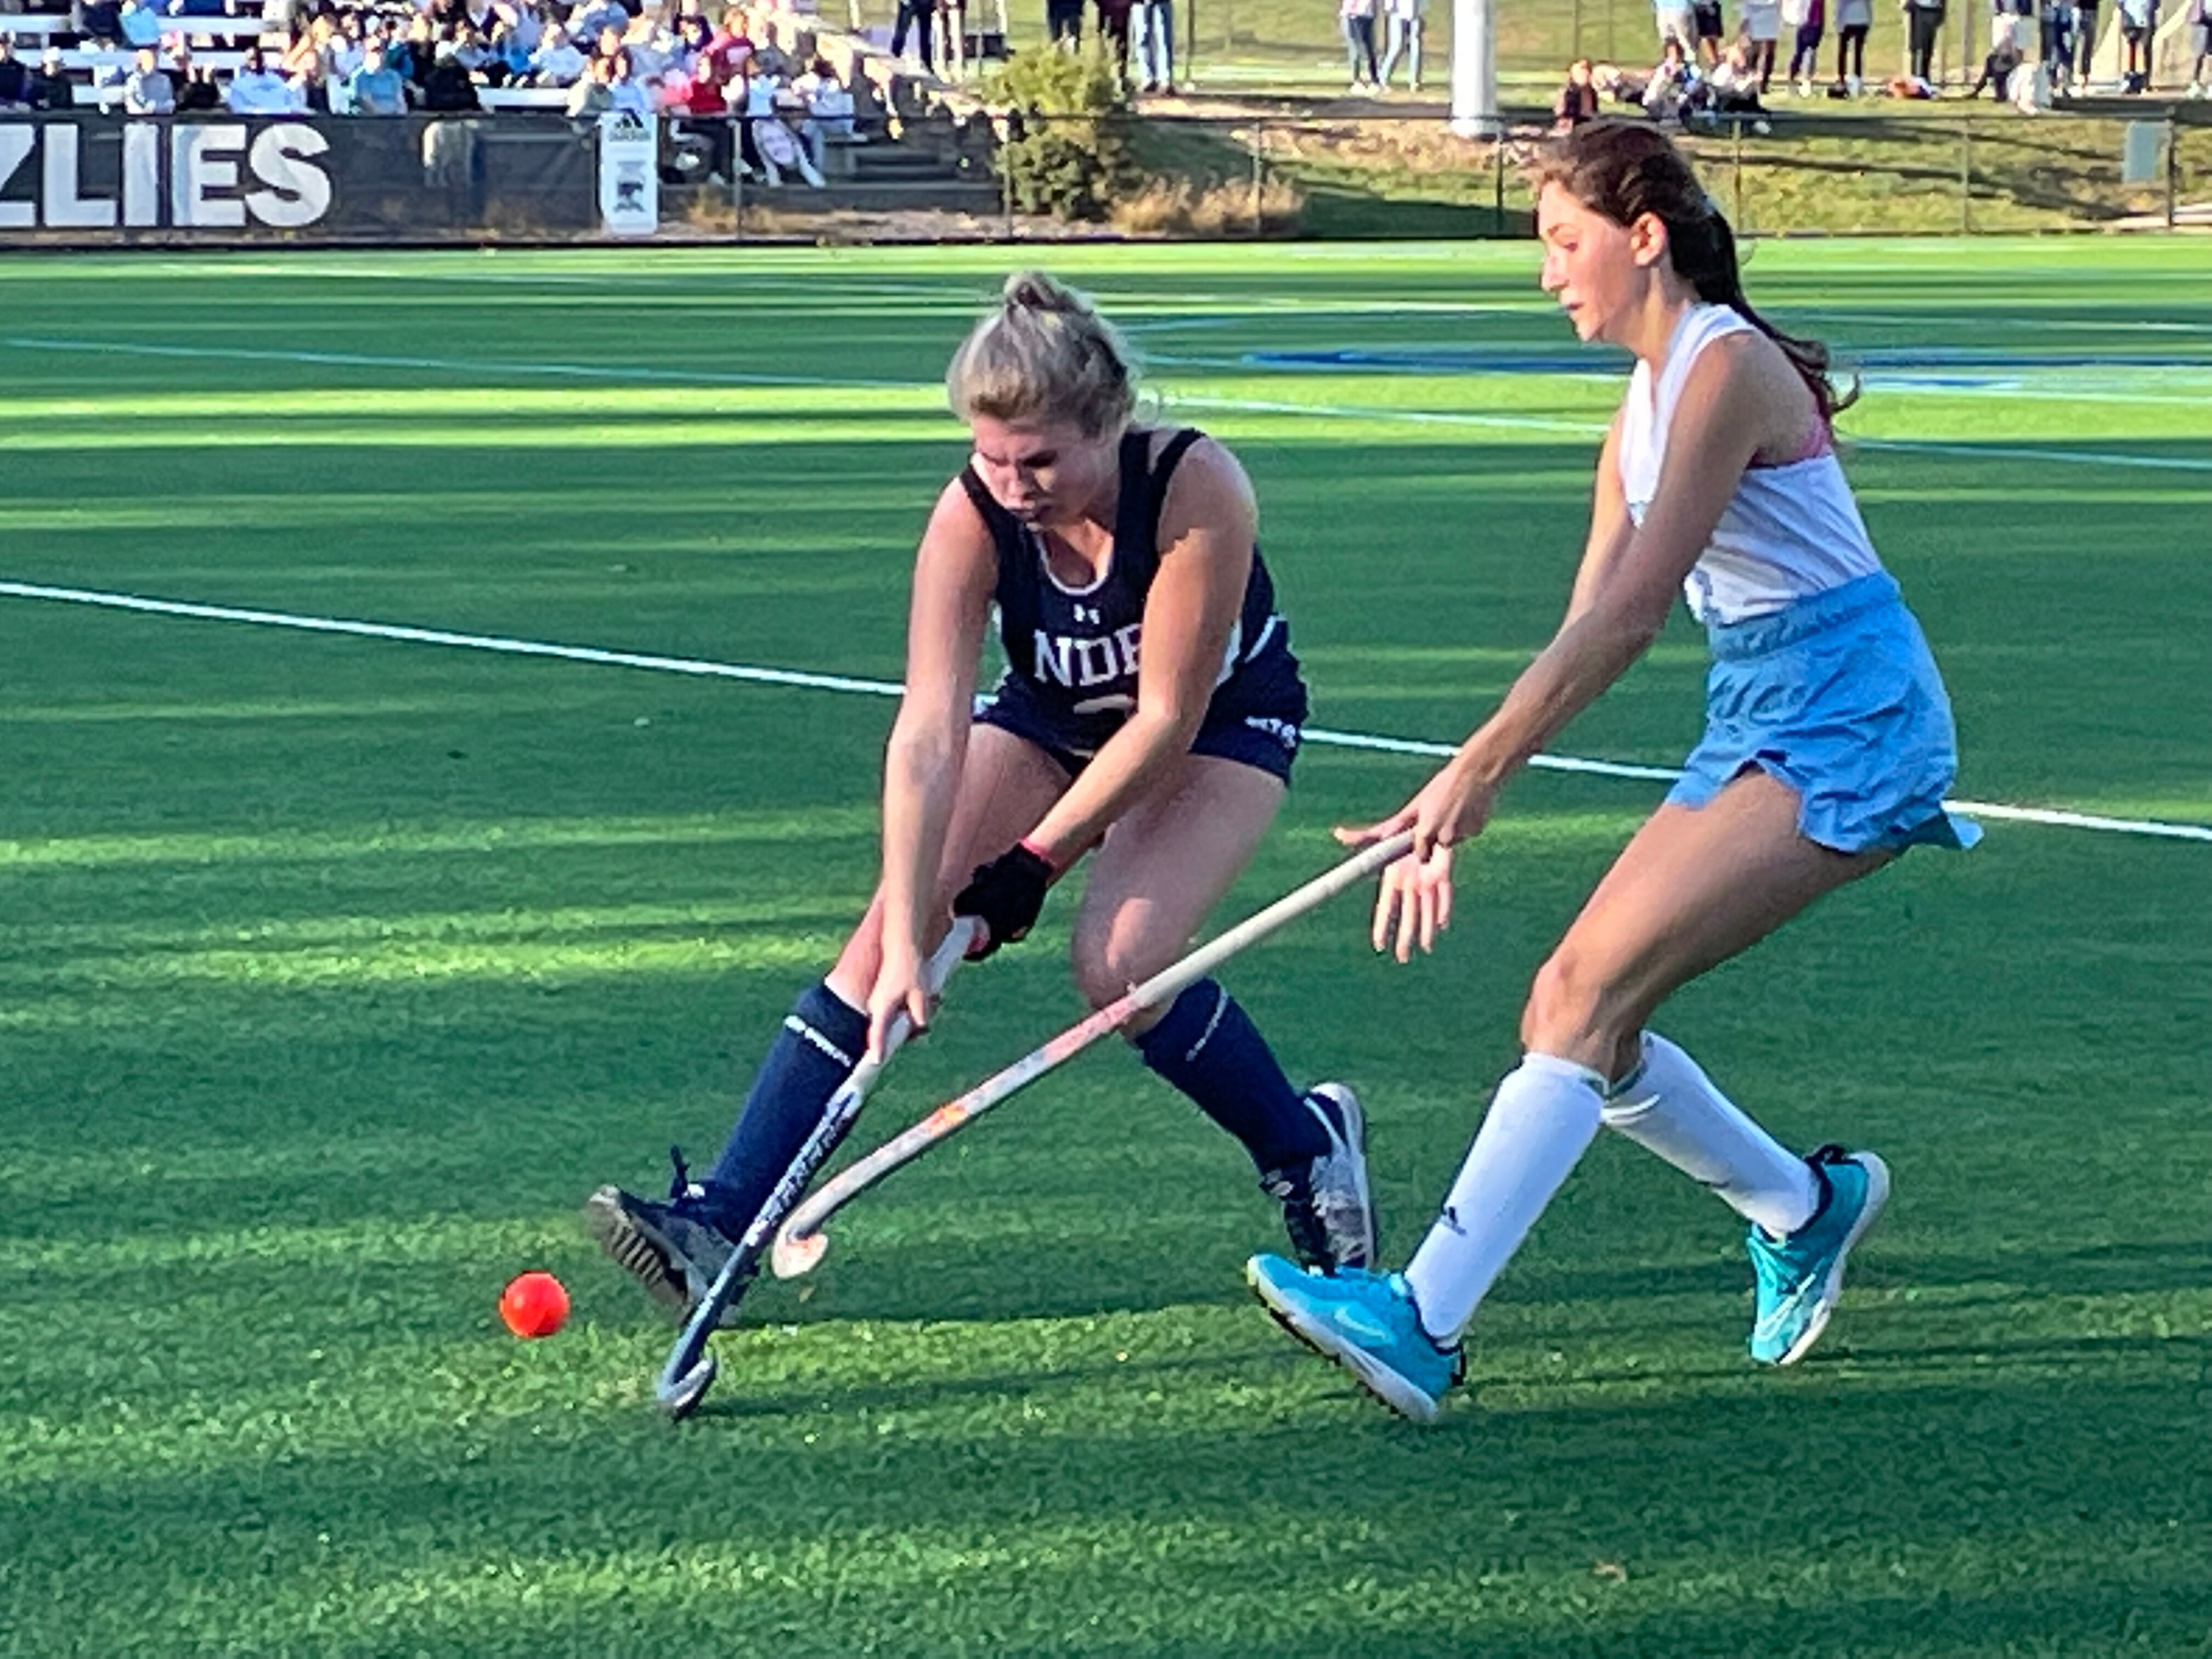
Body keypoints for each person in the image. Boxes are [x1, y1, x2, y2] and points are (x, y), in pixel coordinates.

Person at [1244, 119, 1977, 1424]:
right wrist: (1457, 793)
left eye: (1561, 241)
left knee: (1579, 997)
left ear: (1643, 238)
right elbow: (1585, 624)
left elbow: (1635, 616)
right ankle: (1804, 1209)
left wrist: (1477, 776)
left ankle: (1423, 1322)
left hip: (1853, 712)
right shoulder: (1639, 406)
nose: (1548, 275)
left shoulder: (1726, 369)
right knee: (1583, 1011)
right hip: (1761, 706)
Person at [586, 272, 1377, 1323]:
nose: (1013, 485)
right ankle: (724, 1217)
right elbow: (927, 732)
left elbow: (1164, 716)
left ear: (1110, 422)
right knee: (884, 939)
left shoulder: (1195, 486)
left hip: (1214, 728)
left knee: (1122, 963)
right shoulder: (971, 513)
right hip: (1050, 719)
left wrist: (1033, 863)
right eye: (992, 457)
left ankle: (1305, 1148)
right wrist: (904, 939)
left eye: (1039, 460)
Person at [1378, 0, 1424, 89]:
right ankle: (1382, 77)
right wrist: (1389, 7)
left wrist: (1421, 12)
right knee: (1396, 46)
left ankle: (1414, 80)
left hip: (1414, 12)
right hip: (1397, 12)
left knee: (1415, 46)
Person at [1783, 0, 1825, 91]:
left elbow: (1821, 8)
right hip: (1805, 23)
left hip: (1816, 22)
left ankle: (1805, 78)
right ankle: (1797, 76)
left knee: (1810, 51)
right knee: (1802, 51)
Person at [1341, 0, 1381, 91]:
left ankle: (1374, 80)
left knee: (1370, 50)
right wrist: (1351, 13)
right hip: (1354, 16)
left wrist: (1374, 12)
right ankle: (1357, 81)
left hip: (1368, 17)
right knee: (1357, 50)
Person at [1831, 0, 1871, 89]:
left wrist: (1837, 22)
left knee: (1843, 51)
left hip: (1847, 21)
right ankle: (1857, 78)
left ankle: (1842, 78)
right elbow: (1868, 4)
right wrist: (1869, 21)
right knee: (1858, 52)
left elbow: (1840, 5)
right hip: (1862, 19)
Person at [1554, 55, 1601, 127]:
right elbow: (1561, 113)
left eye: (1586, 71)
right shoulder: (1569, 91)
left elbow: (1594, 112)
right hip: (1571, 125)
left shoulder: (1592, 92)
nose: (1585, 74)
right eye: (1581, 72)